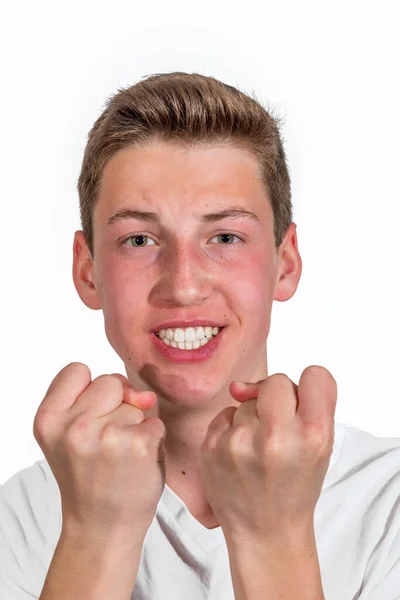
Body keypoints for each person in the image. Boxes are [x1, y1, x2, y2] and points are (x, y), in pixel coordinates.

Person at [1, 72, 399, 600]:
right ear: (88, 269)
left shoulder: (386, 503)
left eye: (226, 237)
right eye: (139, 239)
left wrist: (273, 537)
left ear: (285, 262)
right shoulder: (19, 522)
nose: (184, 286)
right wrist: (97, 537)